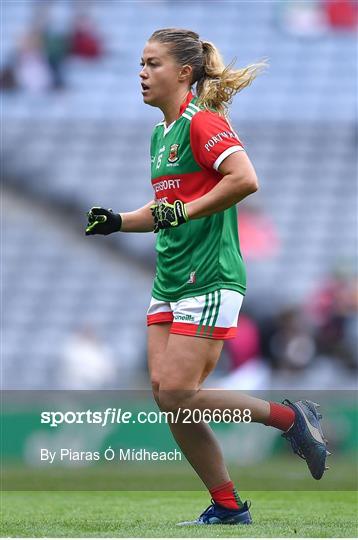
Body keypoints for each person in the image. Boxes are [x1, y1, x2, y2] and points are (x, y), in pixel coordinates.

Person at [85, 28, 329, 526]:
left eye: (152, 63)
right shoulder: (161, 134)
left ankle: (289, 418)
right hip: (169, 278)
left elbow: (245, 179)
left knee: (178, 393)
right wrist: (118, 221)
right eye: (141, 62)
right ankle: (227, 505)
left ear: (184, 72)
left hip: (209, 276)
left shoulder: (203, 123)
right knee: (167, 397)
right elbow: (166, 207)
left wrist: (184, 211)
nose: (142, 72)